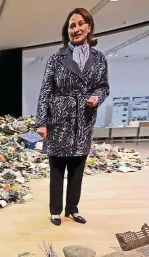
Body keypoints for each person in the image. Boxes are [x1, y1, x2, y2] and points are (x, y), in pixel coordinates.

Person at [36, 8, 110, 226]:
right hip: (59, 119)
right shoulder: (56, 58)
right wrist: (41, 121)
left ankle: (72, 209)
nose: (76, 29)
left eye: (80, 24)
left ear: (89, 27)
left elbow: (104, 87)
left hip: (84, 120)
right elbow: (45, 90)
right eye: (71, 26)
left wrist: (96, 97)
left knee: (77, 168)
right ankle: (55, 210)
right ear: (66, 31)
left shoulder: (99, 58)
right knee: (57, 168)